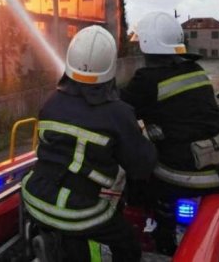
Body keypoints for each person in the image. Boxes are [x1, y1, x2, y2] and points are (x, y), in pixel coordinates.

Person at [22, 25, 158, 262]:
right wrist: (145, 138)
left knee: (73, 228)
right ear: (110, 68)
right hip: (80, 211)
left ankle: (53, 242)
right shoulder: (119, 113)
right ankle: (62, 245)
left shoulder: (51, 102)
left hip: (35, 199)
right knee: (127, 242)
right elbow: (141, 168)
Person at [121, 12, 219, 256]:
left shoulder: (147, 80)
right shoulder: (195, 69)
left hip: (185, 174)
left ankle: (160, 232)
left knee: (138, 164)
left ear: (146, 46)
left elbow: (118, 111)